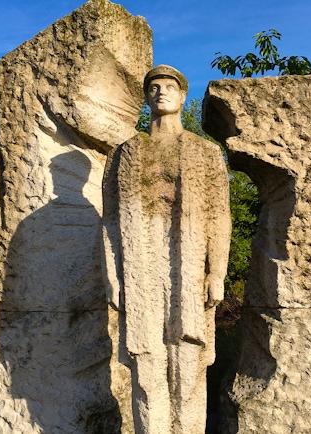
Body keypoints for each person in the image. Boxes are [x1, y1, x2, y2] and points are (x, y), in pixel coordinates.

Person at [102, 65, 230, 434]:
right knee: (146, 365)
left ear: (182, 95)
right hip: (140, 264)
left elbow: (219, 216)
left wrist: (216, 272)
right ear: (145, 97)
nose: (161, 92)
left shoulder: (204, 152)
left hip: (187, 264)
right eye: (153, 87)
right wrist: (111, 274)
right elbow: (110, 219)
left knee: (188, 363)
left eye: (169, 86)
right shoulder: (125, 153)